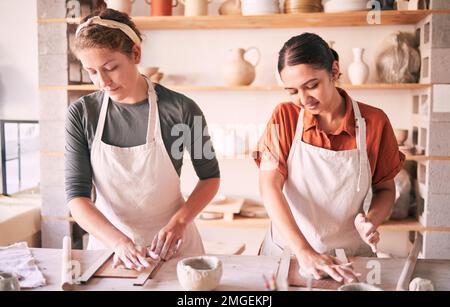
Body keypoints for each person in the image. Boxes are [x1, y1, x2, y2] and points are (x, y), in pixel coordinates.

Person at [65, 9, 220, 271]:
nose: (102, 82)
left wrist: (180, 222)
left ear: (135, 54)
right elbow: (76, 197)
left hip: (174, 249)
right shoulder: (82, 114)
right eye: (91, 72)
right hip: (111, 250)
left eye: (111, 68)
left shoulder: (182, 109)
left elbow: (210, 177)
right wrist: (120, 243)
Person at [255, 33, 405, 282]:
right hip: (289, 254)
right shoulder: (285, 117)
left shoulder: (375, 123)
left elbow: (386, 190)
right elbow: (269, 187)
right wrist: (304, 251)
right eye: (292, 91)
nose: (303, 100)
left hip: (350, 261)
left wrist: (371, 221)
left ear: (334, 71)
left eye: (311, 85)